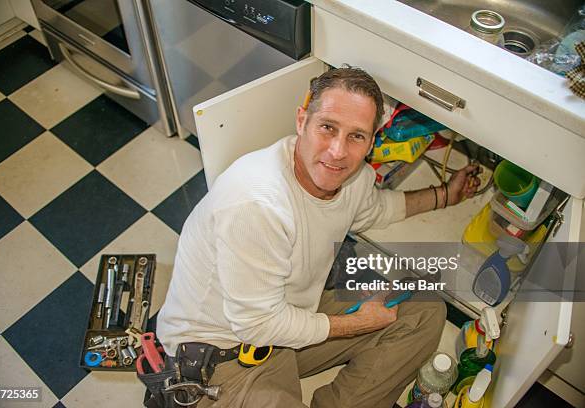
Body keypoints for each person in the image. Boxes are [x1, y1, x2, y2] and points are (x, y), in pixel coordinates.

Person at [156, 66, 480, 408]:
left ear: (370, 142)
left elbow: (376, 209)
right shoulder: (256, 204)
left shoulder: (353, 179)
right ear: (301, 121)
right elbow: (258, 325)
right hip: (222, 356)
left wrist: (446, 194)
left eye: (356, 136)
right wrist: (356, 324)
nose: (338, 151)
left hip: (285, 318)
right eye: (328, 127)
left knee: (425, 311)